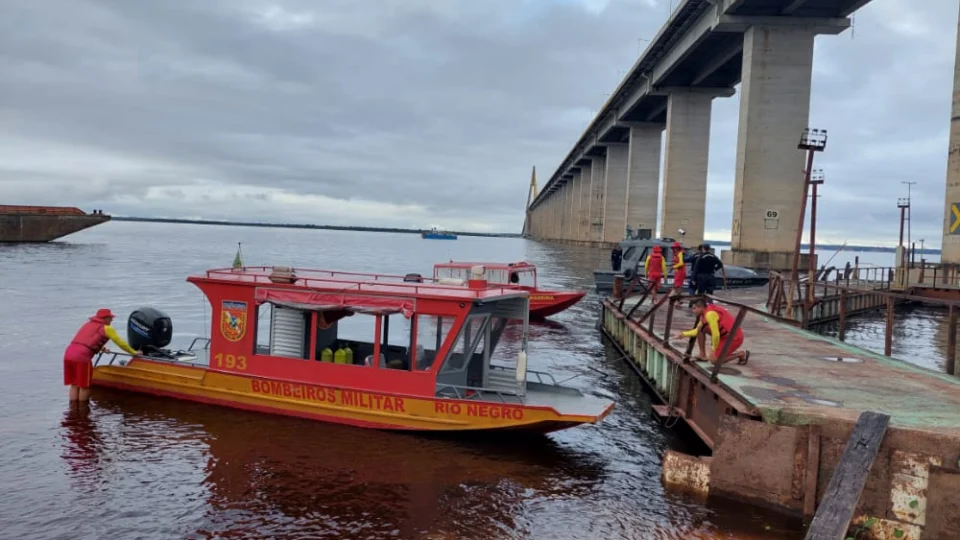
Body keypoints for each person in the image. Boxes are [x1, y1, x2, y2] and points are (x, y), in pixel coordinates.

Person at [64, 308, 139, 402]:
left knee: (74, 384)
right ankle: (83, 411)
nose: (112, 320)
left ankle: (73, 410)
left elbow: (86, 340)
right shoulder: (107, 328)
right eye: (110, 318)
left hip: (68, 353)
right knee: (84, 386)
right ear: (105, 318)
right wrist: (133, 352)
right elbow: (121, 343)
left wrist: (102, 348)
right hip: (81, 357)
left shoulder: (87, 324)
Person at [673, 298, 749, 365]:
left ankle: (740, 354)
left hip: (734, 338)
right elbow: (697, 331)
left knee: (714, 361)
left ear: (700, 307)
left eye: (694, 308)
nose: (693, 311)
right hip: (724, 337)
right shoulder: (704, 314)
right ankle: (702, 355)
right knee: (700, 329)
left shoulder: (710, 314)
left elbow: (716, 334)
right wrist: (682, 334)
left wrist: (713, 349)